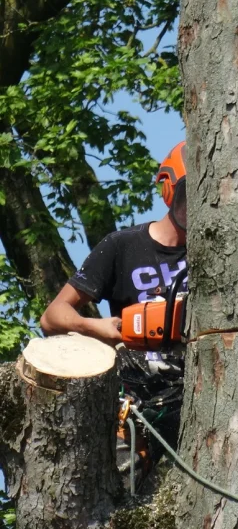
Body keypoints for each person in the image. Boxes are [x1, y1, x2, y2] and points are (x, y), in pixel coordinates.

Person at [40, 141, 188, 488]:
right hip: (138, 396)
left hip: (197, 387)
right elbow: (53, 317)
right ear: (169, 190)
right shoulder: (122, 246)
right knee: (126, 498)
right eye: (187, 194)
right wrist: (99, 327)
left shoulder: (216, 250)